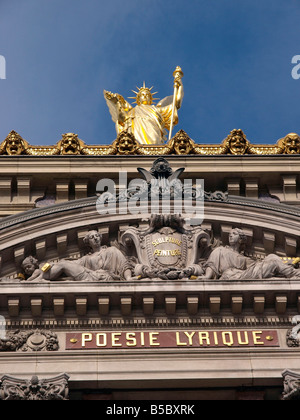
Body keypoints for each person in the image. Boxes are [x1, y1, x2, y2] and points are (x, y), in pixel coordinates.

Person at [104, 69, 184, 145]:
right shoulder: (133, 111)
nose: (145, 96)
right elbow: (121, 119)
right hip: (136, 132)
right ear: (138, 99)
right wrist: (117, 104)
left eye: (147, 95)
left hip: (153, 131)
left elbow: (176, 103)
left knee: (154, 144)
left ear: (150, 98)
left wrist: (179, 86)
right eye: (142, 95)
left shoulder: (156, 109)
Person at [22, 230, 134, 283]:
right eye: (92, 237)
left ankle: (38, 279)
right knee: (62, 263)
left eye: (97, 236)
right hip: (89, 276)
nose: (95, 238)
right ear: (88, 242)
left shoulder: (112, 250)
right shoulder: (86, 259)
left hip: (102, 277)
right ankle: (38, 278)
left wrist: (128, 278)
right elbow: (73, 265)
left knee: (62, 263)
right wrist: (50, 265)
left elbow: (124, 265)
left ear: (100, 238)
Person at [194, 228, 300, 280]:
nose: (230, 236)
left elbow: (256, 265)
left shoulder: (244, 259)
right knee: (272, 263)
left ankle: (288, 272)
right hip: (233, 276)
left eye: (234, 234)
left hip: (246, 274)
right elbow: (212, 266)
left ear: (241, 240)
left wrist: (288, 261)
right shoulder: (220, 250)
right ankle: (295, 274)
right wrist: (207, 277)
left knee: (271, 257)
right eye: (230, 234)